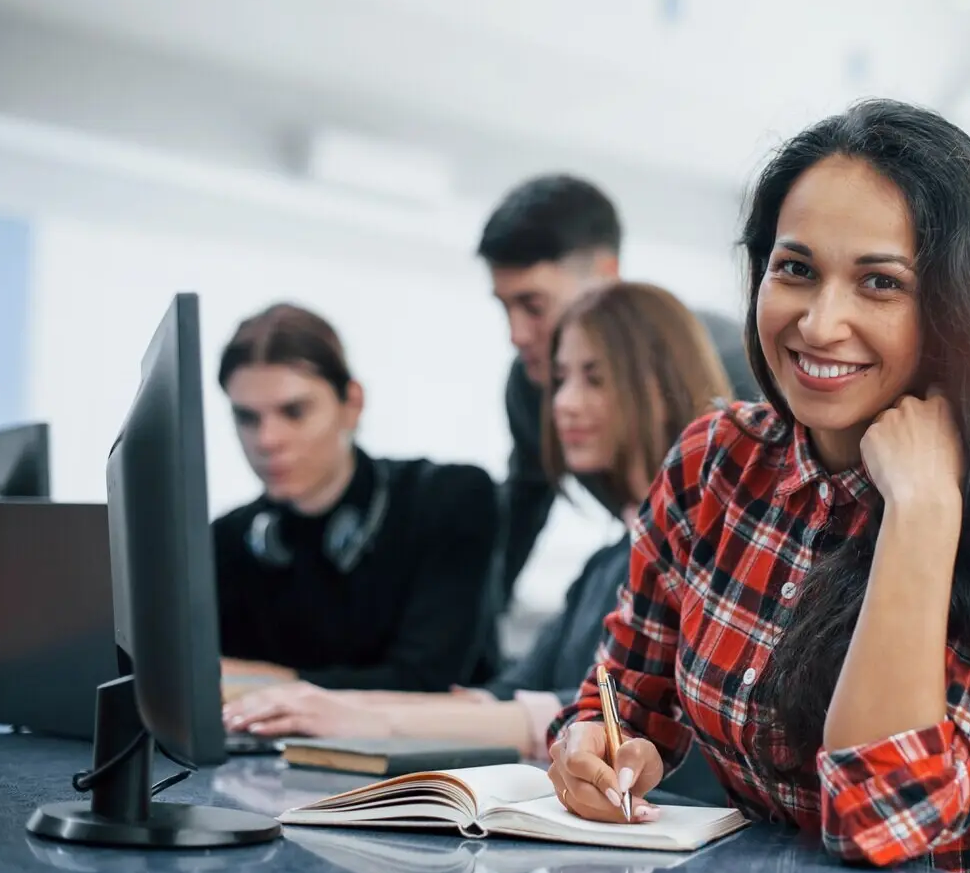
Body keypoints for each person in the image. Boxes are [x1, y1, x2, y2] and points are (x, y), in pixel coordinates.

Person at [543, 100, 970, 873]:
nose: (821, 324)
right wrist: (589, 745)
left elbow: (879, 822)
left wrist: (921, 512)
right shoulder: (712, 462)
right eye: (796, 270)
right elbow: (620, 699)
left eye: (880, 283)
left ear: (956, 310)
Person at [219, 283, 732, 805]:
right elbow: (503, 697)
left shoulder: (706, 550)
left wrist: (356, 714)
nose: (564, 404)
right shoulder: (603, 565)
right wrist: (321, 704)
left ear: (657, 382)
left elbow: (574, 715)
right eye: (559, 380)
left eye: (594, 379)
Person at [478, 174, 759, 602]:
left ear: (607, 277)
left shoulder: (739, 369)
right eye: (505, 307)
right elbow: (520, 515)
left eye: (534, 306)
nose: (516, 335)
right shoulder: (527, 388)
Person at [213, 303, 501, 692]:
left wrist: (268, 684)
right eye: (247, 418)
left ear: (352, 404)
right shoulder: (226, 541)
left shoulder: (446, 500)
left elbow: (425, 682)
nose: (267, 440)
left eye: (294, 412)